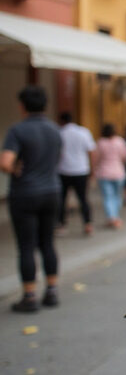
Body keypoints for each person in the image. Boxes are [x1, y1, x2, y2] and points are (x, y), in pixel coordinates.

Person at [1, 86, 62, 313]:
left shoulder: (17, 130)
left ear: (22, 105)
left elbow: (6, 162)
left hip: (25, 193)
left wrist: (15, 168)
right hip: (52, 191)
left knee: (26, 245)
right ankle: (52, 291)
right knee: (47, 242)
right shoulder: (55, 130)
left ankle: (29, 296)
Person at [56, 112, 96, 236]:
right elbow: (91, 151)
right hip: (81, 170)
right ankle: (87, 223)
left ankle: (62, 225)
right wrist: (92, 169)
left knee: (62, 199)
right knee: (83, 198)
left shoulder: (59, 133)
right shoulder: (83, 132)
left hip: (64, 170)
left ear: (61, 121)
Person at [94, 124, 126, 229]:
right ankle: (116, 217)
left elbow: (96, 158)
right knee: (117, 196)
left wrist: (94, 169)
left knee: (108, 197)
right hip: (119, 172)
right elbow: (125, 156)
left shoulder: (100, 142)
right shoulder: (120, 141)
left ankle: (111, 218)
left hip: (104, 173)